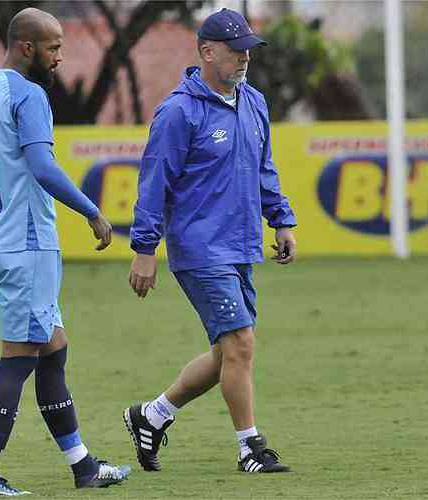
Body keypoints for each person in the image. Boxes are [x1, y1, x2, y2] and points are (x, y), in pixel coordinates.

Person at [0, 7, 130, 496]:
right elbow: (43, 167)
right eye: (53, 47)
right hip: (27, 245)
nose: (59, 58)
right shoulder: (28, 96)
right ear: (26, 47)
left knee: (53, 351)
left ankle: (84, 467)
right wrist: (92, 211)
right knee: (18, 359)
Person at [123, 8, 297, 475]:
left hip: (241, 245)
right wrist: (144, 249)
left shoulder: (254, 101)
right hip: (200, 250)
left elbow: (264, 168)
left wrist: (281, 219)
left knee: (227, 353)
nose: (244, 58)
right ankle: (249, 448)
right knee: (240, 344)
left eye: (248, 50)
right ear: (207, 51)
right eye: (235, 50)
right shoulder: (179, 111)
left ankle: (152, 414)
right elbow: (153, 182)